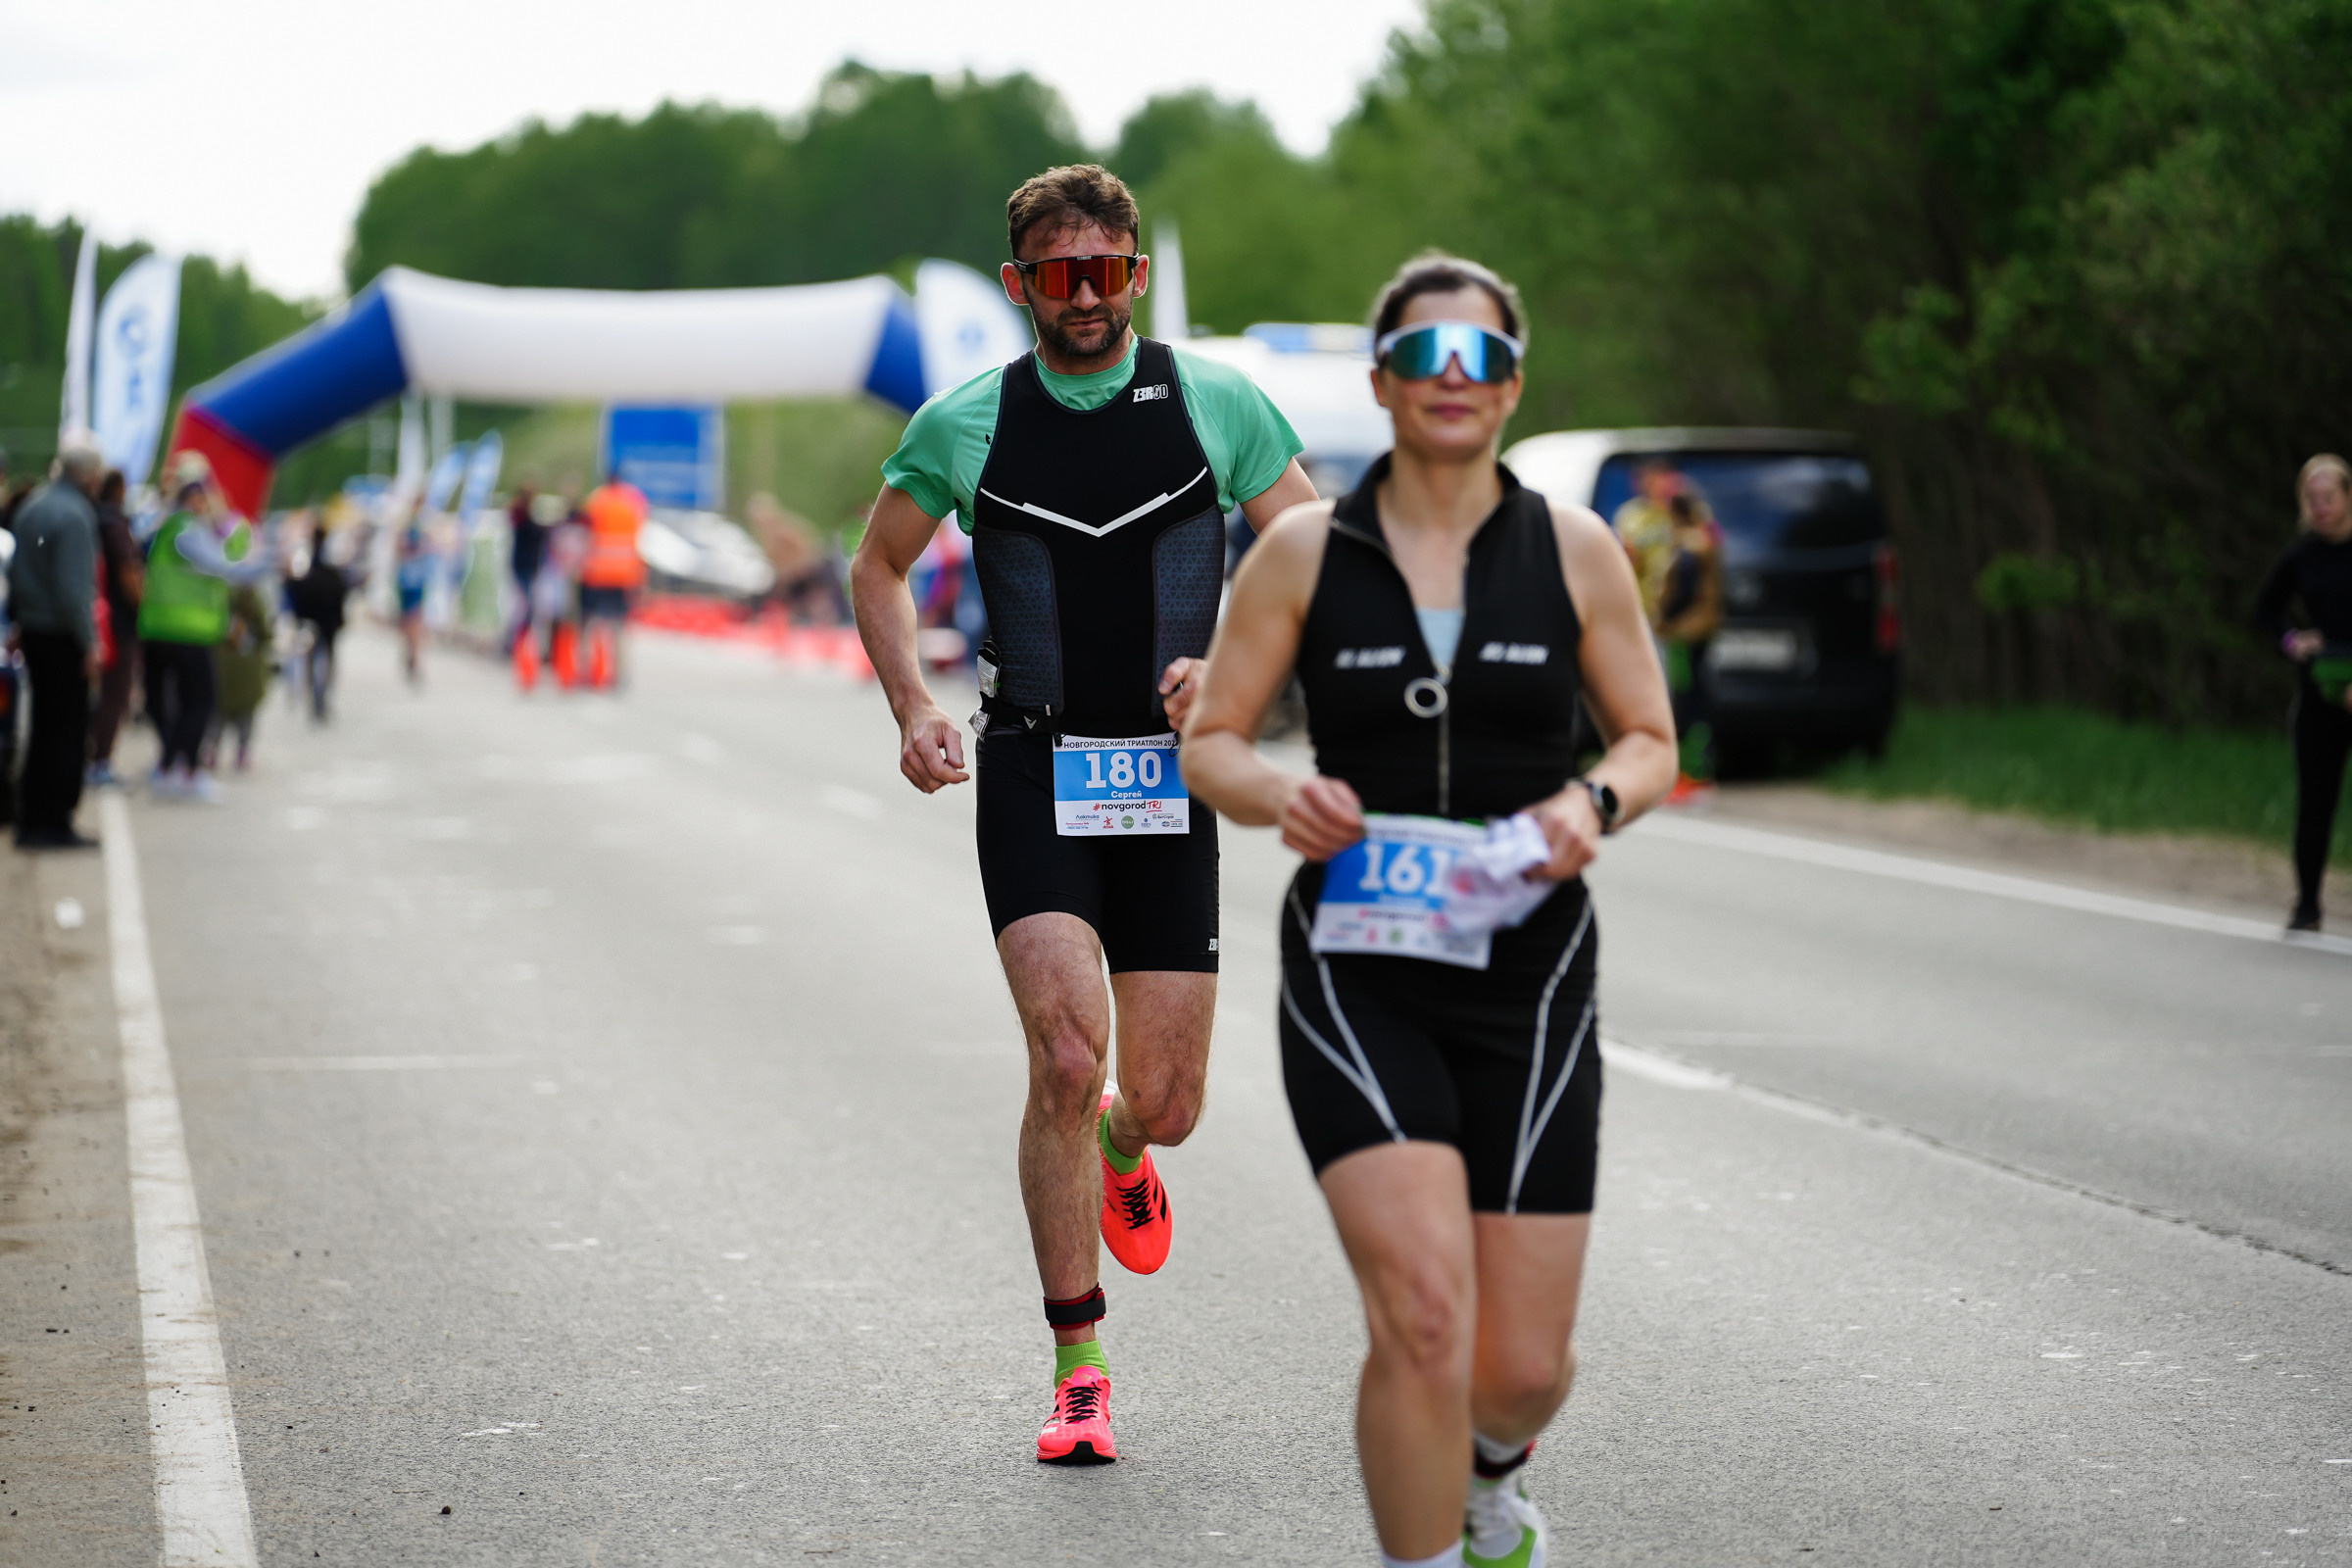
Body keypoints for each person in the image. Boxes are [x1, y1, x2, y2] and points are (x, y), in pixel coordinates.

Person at [1182, 255, 1677, 1568]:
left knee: (1518, 1368)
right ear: (1381, 381)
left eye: (1477, 360)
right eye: (1422, 357)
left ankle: (1490, 1472)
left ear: (1511, 384)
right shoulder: (1300, 552)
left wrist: (1594, 805)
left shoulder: (1576, 550)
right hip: (1359, 966)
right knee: (1420, 1317)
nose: (1449, 382)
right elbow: (1213, 743)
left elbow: (1649, 740)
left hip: (1532, 970)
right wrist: (1277, 795)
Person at [850, 163, 1316, 1465]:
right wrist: (911, 705)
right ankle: (1079, 1363)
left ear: (1136, 276)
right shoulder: (967, 422)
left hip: (1172, 776)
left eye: (1106, 273)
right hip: (1035, 763)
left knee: (1162, 1101)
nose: (1086, 298)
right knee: (1064, 1056)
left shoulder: (1215, 401)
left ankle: (1126, 1141)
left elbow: (1313, 557)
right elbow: (878, 563)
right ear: (1021, 288)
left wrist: (1243, 679)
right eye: (1059, 279)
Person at [2256, 453, 2352, 932]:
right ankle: (2308, 904)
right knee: (2315, 804)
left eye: (2329, 497)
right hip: (2320, 695)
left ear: (2348, 497)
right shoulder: (2301, 555)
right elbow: (2265, 609)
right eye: (2311, 499)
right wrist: (2292, 641)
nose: (2320, 507)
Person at [139, 457, 270, 802]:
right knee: (200, 702)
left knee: (181, 702)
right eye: (203, 498)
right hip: (186, 630)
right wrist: (268, 562)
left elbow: (226, 555)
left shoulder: (172, 528)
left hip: (170, 628)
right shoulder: (185, 530)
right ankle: (183, 769)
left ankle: (172, 766)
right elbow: (225, 566)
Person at [6, 444, 106, 848]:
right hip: (61, 634)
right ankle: (55, 820)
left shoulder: (33, 506)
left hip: (33, 627)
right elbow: (73, 590)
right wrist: (90, 643)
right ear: (88, 477)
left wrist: (17, 619)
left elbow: (16, 572)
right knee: (66, 731)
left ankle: (31, 818)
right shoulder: (75, 515)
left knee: (42, 728)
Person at [1653, 491, 1724, 792]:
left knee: (1684, 698)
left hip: (1683, 631)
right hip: (1704, 628)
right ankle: (1700, 768)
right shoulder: (1708, 540)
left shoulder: (1686, 547)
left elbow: (1682, 591)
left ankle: (1690, 771)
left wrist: (1665, 616)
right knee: (1698, 695)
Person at [87, 468, 143, 787]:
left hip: (95, 616)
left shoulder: (93, 516)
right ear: (119, 489)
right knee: (116, 694)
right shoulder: (113, 523)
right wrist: (143, 606)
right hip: (116, 623)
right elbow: (127, 570)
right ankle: (100, 761)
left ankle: (95, 758)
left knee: (104, 693)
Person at [579, 469, 648, 687]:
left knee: (593, 624)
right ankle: (619, 672)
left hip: (597, 573)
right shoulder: (634, 501)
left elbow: (585, 535)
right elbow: (640, 537)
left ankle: (592, 668)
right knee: (618, 626)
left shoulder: (597, 500)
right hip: (625, 573)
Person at [207, 581, 274, 771]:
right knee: (246, 716)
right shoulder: (253, 598)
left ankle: (211, 750)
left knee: (217, 714)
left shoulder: (218, 594)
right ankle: (243, 752)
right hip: (248, 670)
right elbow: (266, 633)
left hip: (221, 665)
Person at [286, 524, 349, 721]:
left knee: (313, 660)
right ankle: (320, 698)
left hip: (313, 617)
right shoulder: (327, 562)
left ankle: (316, 698)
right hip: (326, 618)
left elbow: (293, 586)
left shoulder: (307, 561)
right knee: (326, 659)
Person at [394, 514, 430, 683]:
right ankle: (412, 655)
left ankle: (413, 657)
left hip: (413, 581)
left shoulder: (419, 530)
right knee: (410, 622)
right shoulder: (410, 530)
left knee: (413, 622)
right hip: (409, 581)